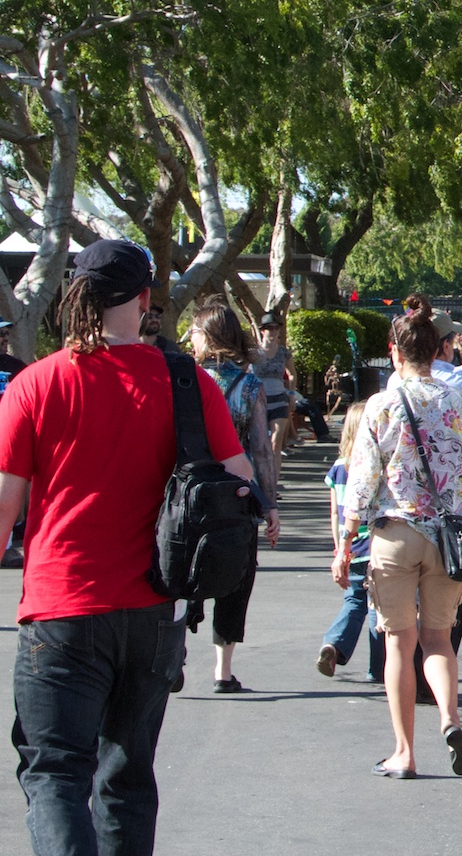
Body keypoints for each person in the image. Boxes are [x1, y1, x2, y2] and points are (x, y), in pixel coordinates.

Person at [0, 240, 259, 855]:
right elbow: (240, 481)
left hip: (62, 608)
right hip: (155, 608)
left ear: (75, 297)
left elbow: (4, 508)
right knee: (127, 778)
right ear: (144, 300)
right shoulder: (188, 383)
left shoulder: (35, 385)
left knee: (57, 772)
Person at [337, 294, 462, 781]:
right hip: (448, 539)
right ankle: (449, 719)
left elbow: (362, 479)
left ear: (394, 351)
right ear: (441, 350)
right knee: (439, 640)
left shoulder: (381, 406)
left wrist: (345, 540)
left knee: (398, 645)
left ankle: (404, 751)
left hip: (396, 534)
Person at [188, 302, 283, 692]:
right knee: (236, 578)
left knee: (181, 569)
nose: (188, 338)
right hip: (237, 494)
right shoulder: (249, 386)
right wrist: (271, 503)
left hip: (189, 492)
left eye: (193, 331)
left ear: (207, 336)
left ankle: (173, 655)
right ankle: (222, 670)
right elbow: (261, 449)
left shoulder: (185, 382)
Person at [319, 402, 386, 683]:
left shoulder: (337, 468)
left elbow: (336, 511)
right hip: (374, 543)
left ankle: (334, 643)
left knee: (353, 600)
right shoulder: (375, 466)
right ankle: (379, 667)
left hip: (351, 545)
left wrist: (339, 547)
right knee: (378, 606)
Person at [253, 310, 299, 454]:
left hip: (280, 399)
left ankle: (273, 476)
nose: (273, 332)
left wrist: (291, 395)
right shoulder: (253, 352)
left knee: (276, 442)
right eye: (269, 328)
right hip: (258, 400)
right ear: (262, 331)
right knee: (259, 443)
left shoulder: (284, 353)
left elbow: (292, 374)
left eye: (276, 328)